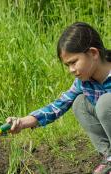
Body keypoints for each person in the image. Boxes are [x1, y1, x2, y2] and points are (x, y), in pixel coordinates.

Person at [6, 22, 111, 174]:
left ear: (93, 53)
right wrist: (23, 122)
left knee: (105, 103)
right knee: (79, 103)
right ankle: (109, 157)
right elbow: (59, 105)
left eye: (73, 62)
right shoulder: (83, 82)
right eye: (67, 65)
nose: (71, 70)